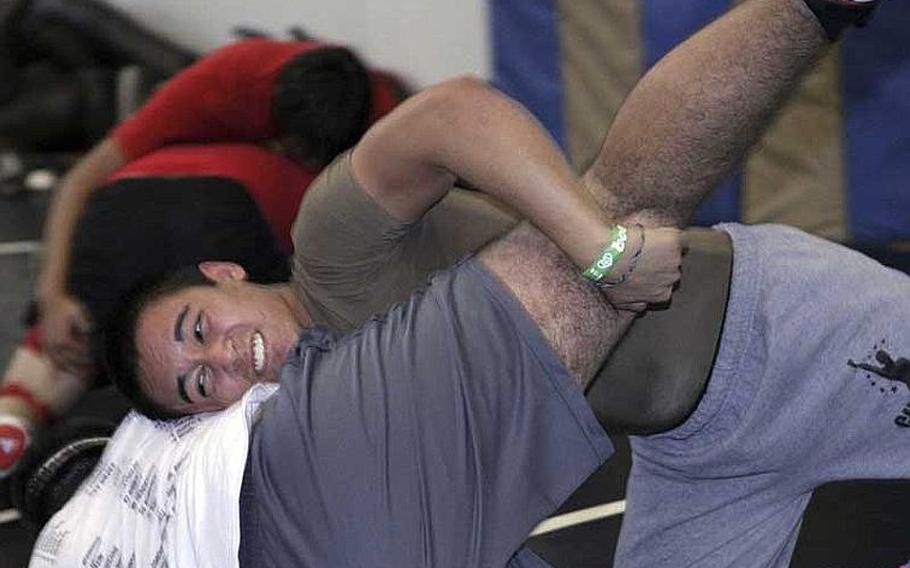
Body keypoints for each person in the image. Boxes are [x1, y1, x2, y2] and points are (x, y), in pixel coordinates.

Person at [33, 0, 892, 565]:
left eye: (198, 327)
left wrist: (594, 246)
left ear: (224, 274)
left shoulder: (331, 251)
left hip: (788, 334)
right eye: (198, 386)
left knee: (627, 190)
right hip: (693, 458)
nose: (224, 360)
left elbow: (451, 115)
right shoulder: (332, 419)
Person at [0, 37, 408, 476]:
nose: (290, 155)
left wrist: (55, 294)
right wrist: (50, 292)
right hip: (227, 212)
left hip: (131, 204)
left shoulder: (364, 114)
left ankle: (15, 416)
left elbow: (81, 181)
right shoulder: (236, 78)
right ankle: (102, 453)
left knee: (77, 339)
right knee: (201, 369)